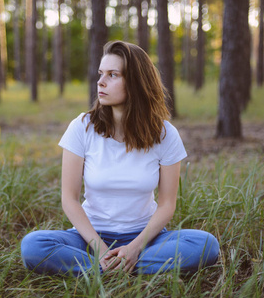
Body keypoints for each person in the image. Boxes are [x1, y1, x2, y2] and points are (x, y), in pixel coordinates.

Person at [21, 40, 219, 276]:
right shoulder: (81, 127)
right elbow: (69, 200)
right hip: (89, 238)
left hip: (147, 238)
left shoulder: (166, 135)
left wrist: (135, 247)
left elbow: (167, 205)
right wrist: (101, 250)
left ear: (135, 82)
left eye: (112, 75)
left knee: (206, 245)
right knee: (33, 246)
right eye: (100, 74)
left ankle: (108, 269)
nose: (100, 82)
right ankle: (119, 267)